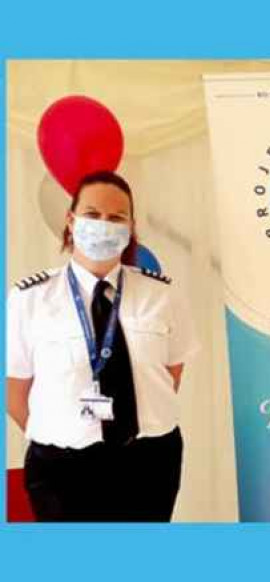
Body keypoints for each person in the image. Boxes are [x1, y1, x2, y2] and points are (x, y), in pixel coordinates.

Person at [6, 170, 199, 522]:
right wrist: (62, 428)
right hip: (61, 466)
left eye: (116, 217)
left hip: (148, 461)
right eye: (92, 214)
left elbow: (170, 373)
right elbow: (14, 388)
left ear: (130, 228)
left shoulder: (163, 295)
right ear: (71, 220)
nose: (104, 225)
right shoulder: (28, 298)